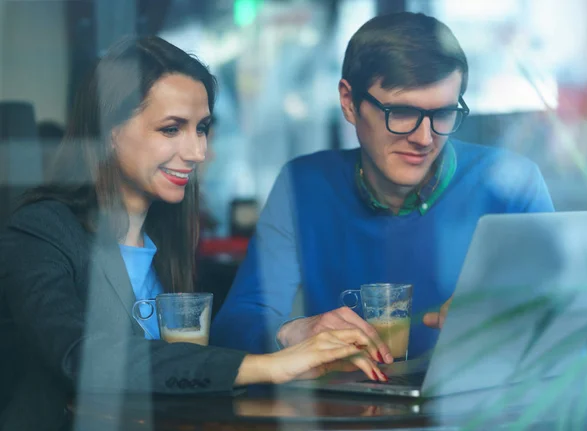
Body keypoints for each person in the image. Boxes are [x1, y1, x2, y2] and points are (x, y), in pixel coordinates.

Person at [0, 36, 386, 431]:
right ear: (109, 130)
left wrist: (291, 335)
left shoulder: (168, 239)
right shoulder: (39, 231)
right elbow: (82, 358)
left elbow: (191, 365)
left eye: (201, 128)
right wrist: (269, 365)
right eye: (171, 129)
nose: (198, 151)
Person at [210, 12, 555, 362]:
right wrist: (293, 331)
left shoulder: (511, 185)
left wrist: (518, 316)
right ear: (349, 102)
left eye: (443, 114)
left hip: (475, 411)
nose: (424, 138)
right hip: (344, 411)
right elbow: (233, 328)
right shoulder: (304, 186)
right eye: (402, 112)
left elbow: (571, 326)